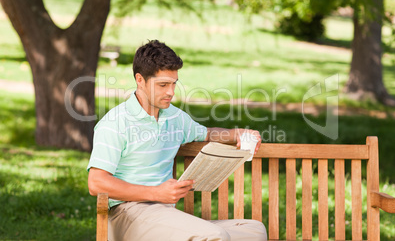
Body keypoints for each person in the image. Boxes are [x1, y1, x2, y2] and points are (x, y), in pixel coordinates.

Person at [87, 40, 267, 241]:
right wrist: (156, 193)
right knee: (215, 236)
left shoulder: (174, 117)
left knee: (253, 231)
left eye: (174, 84)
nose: (171, 92)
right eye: (163, 85)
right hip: (127, 214)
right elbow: (96, 182)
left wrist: (237, 134)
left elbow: (207, 133)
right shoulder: (115, 123)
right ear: (140, 80)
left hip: (164, 215)